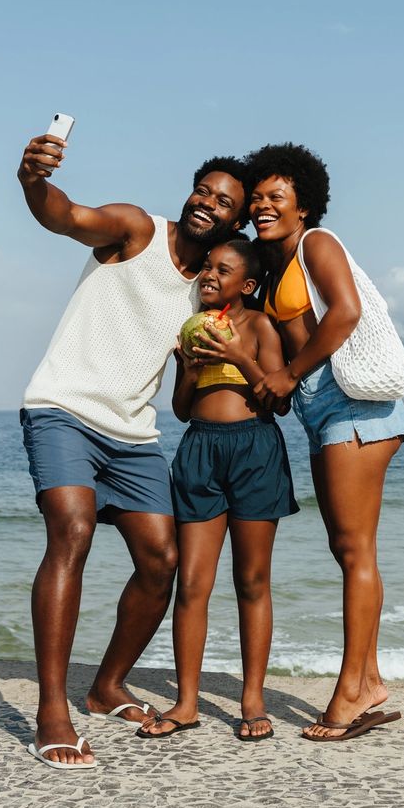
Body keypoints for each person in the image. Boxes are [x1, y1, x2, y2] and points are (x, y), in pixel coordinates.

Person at [15, 131, 249, 768]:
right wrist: (35, 178)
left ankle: (106, 685)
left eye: (224, 202)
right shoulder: (136, 229)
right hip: (63, 409)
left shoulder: (205, 292)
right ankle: (52, 710)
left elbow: (187, 396)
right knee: (72, 530)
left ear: (235, 219)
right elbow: (65, 216)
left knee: (160, 558)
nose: (208, 203)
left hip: (133, 435)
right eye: (204, 190)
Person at [245, 142, 404, 742]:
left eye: (276, 198)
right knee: (353, 550)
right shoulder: (272, 263)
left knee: (353, 550)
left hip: (355, 405)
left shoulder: (318, 244)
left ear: (304, 207)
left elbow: (344, 313)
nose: (264, 205)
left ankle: (351, 690)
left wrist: (289, 374)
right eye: (258, 197)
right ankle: (368, 678)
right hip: (323, 408)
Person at [135, 238, 299, 743]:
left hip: (254, 449)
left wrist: (237, 356)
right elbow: (183, 409)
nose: (208, 275)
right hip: (200, 449)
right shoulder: (193, 329)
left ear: (246, 285)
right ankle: (186, 702)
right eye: (206, 267)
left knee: (251, 581)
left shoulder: (259, 327)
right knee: (192, 584)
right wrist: (189, 368)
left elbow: (278, 401)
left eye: (222, 270)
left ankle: (252, 698)